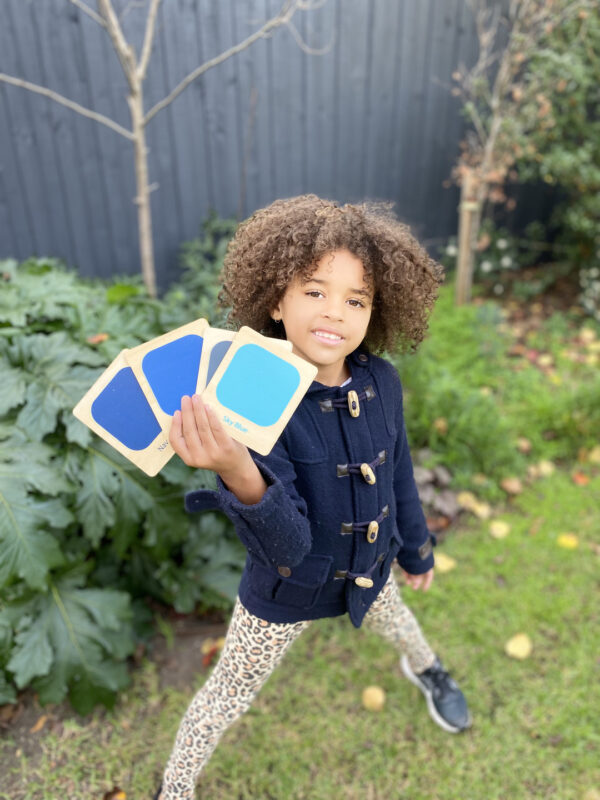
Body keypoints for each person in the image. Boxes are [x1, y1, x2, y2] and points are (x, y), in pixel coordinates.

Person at [156, 195, 470, 799]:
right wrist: (236, 467)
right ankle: (175, 788)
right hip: (287, 591)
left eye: (356, 299)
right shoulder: (252, 401)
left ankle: (428, 670)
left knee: (403, 624)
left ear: (375, 311)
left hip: (370, 568)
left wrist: (416, 549)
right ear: (276, 301)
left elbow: (399, 473)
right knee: (226, 694)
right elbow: (289, 547)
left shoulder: (382, 382)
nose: (335, 312)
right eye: (315, 291)